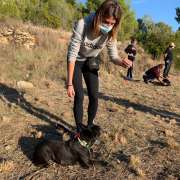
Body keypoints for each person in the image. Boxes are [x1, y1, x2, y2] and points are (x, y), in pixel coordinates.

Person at [66, 0, 132, 133]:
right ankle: (79, 130)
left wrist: (122, 62)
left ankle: (89, 127)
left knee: (94, 96)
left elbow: (113, 56)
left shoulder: (111, 32)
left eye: (112, 23)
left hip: (91, 62)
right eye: (106, 21)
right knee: (79, 96)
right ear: (99, 15)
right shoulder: (83, 24)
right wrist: (69, 83)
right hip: (77, 61)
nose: (108, 26)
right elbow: (72, 54)